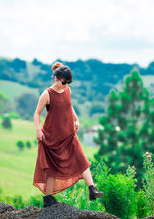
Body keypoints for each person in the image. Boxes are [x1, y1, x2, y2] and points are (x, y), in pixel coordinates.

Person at [33, 62, 103, 207]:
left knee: (81, 159)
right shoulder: (47, 94)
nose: (66, 85)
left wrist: (76, 119)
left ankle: (92, 189)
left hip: (68, 135)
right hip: (51, 137)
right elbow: (37, 113)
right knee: (51, 169)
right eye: (64, 82)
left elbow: (69, 106)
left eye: (68, 82)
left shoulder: (67, 90)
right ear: (55, 78)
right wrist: (38, 130)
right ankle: (48, 199)